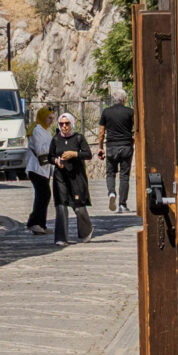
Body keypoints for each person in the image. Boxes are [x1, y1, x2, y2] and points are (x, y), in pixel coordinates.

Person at [48, 112, 92, 245]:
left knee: (79, 207)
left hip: (76, 176)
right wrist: (56, 161)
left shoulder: (79, 138)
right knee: (61, 206)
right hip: (60, 176)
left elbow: (88, 154)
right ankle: (61, 238)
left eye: (67, 124)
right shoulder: (56, 140)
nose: (64, 127)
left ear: (72, 123)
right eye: (61, 124)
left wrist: (74, 154)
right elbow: (50, 156)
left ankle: (86, 231)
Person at [99, 83, 135, 214]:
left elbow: (101, 132)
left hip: (111, 147)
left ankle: (111, 193)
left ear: (113, 100)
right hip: (126, 146)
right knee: (124, 176)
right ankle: (122, 205)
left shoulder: (106, 112)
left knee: (110, 173)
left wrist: (100, 148)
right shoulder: (130, 112)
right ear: (124, 99)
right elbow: (136, 129)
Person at [26, 107, 53, 233]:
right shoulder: (37, 130)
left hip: (44, 168)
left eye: (52, 118)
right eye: (49, 118)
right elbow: (40, 150)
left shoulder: (45, 130)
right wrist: (53, 144)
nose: (51, 121)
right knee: (43, 194)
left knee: (44, 195)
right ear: (43, 117)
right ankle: (34, 222)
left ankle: (41, 225)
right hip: (36, 168)